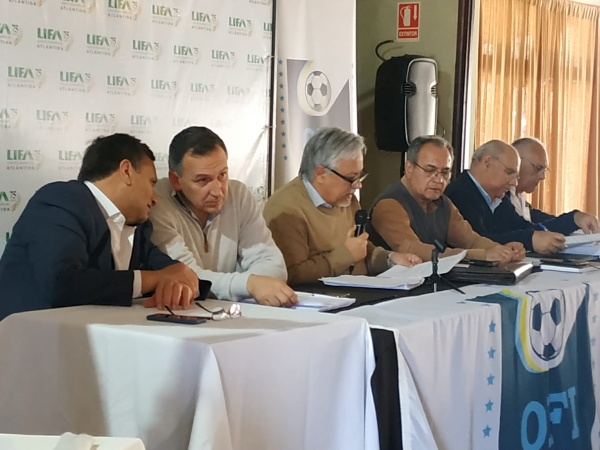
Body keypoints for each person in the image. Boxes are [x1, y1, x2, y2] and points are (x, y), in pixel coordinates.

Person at [0, 133, 204, 321]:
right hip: (28, 338)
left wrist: (182, 282)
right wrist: (155, 279)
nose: (155, 198)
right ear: (126, 171)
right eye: (151, 182)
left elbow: (171, 272)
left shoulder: (140, 228)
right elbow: (62, 283)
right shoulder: (62, 200)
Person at [149, 126, 297, 307]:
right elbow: (184, 277)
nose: (217, 191)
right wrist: (248, 284)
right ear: (175, 180)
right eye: (202, 180)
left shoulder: (238, 194)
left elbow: (273, 264)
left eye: (222, 175)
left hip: (234, 312)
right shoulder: (156, 202)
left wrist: (251, 285)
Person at [263, 127, 421, 285]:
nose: (358, 185)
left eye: (360, 176)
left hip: (361, 290)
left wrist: (390, 259)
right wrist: (345, 256)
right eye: (351, 178)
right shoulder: (286, 209)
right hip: (320, 298)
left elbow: (360, 249)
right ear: (320, 173)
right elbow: (291, 275)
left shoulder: (346, 199)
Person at [367, 136, 525, 262]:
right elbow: (412, 249)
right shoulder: (389, 204)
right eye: (430, 170)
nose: (439, 180)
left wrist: (502, 250)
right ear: (409, 168)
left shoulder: (443, 203)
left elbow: (471, 240)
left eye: (445, 173)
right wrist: (480, 255)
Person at [445, 140, 569, 253]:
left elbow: (521, 226)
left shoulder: (500, 198)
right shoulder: (459, 194)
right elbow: (475, 242)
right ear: (487, 162)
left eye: (516, 176)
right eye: (509, 173)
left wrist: (555, 230)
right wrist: (530, 239)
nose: (514, 183)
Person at [510, 137, 599, 232]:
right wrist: (572, 220)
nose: (542, 177)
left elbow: (542, 222)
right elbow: (524, 233)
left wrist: (576, 220)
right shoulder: (501, 200)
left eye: (544, 170)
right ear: (516, 162)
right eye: (538, 168)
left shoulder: (520, 200)